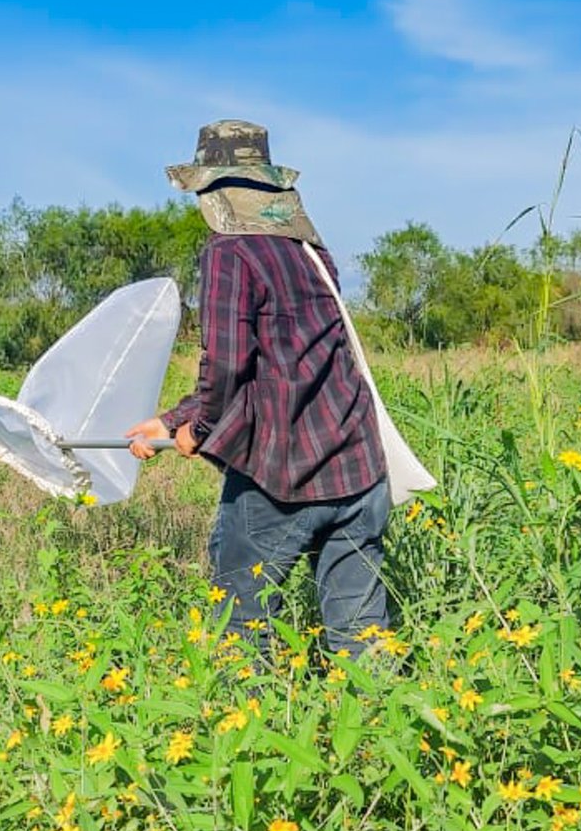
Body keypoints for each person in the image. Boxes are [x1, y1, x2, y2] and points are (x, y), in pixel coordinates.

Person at [126, 120, 393, 659]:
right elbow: (283, 359)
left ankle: (253, 742)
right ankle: (380, 737)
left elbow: (227, 364)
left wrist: (196, 427)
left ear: (215, 192)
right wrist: (177, 420)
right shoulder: (312, 254)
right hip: (358, 468)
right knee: (364, 645)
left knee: (241, 632)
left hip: (281, 479)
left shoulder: (230, 252)